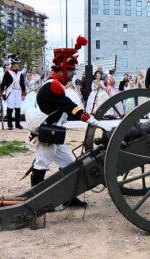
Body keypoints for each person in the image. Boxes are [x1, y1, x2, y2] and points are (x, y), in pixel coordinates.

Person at [28, 36, 111, 207]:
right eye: (71, 71)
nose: (73, 74)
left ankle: (69, 198)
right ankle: (34, 202)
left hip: (55, 134)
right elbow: (70, 107)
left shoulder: (54, 84)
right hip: (48, 134)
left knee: (68, 165)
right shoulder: (54, 86)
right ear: (63, 70)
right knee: (42, 164)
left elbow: (66, 110)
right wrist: (92, 120)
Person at [0, 54, 26, 130]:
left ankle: (17, 124)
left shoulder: (20, 74)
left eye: (18, 64)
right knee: (10, 108)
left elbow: (22, 84)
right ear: (13, 65)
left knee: (18, 108)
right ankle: (10, 124)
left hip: (17, 92)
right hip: (10, 91)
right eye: (16, 64)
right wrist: (1, 92)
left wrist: (23, 93)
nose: (18, 66)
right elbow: (3, 83)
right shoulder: (8, 73)